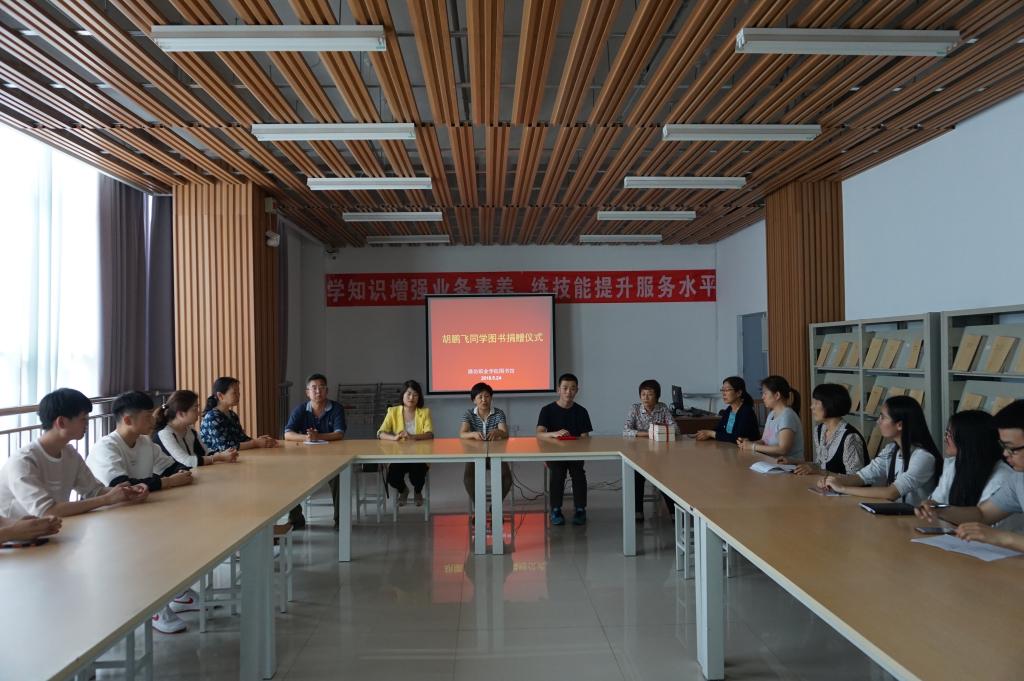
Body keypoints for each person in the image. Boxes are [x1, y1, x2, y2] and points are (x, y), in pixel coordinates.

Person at [87, 391, 197, 634]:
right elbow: (124, 487)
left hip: (142, 513)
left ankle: (178, 593)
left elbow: (173, 467)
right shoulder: (107, 447)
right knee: (154, 548)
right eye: (148, 416)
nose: (154, 419)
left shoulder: (146, 443)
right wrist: (167, 482)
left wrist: (178, 474)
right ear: (128, 419)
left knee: (184, 534)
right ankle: (152, 605)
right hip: (108, 522)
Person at [0, 388, 149, 519]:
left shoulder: (70, 454)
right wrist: (107, 499)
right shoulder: (24, 461)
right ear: (61, 422)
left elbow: (94, 491)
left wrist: (128, 492)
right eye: (83, 419)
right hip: (16, 538)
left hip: (51, 529)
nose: (87, 424)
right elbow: (47, 511)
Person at [917, 400, 1024, 551]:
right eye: (1004, 446)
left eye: (1012, 448)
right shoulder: (1018, 479)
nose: (1005, 453)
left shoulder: (1006, 475)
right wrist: (940, 509)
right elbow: (982, 514)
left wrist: (1001, 537)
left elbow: (996, 532)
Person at [819, 395, 941, 506]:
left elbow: (892, 493)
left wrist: (842, 488)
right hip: (898, 515)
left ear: (900, 425)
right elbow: (862, 477)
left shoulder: (923, 457)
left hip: (916, 519)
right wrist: (832, 481)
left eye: (883, 417)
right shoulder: (891, 450)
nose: (878, 421)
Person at [282, 374, 346, 528]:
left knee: (339, 477)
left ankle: (340, 520)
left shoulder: (336, 408)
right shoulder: (301, 410)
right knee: (289, 476)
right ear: (307, 392)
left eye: (322, 388)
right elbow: (287, 434)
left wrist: (318, 436)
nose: (318, 391)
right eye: (314, 388)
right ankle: (296, 518)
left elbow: (339, 434)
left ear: (327, 391)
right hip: (305, 459)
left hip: (331, 458)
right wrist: (307, 437)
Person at [537, 373, 593, 527]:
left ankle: (580, 509)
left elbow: (585, 437)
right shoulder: (547, 410)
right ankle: (555, 510)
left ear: (577, 391)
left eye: (572, 388)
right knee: (557, 473)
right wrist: (554, 434)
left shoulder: (581, 411)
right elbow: (539, 434)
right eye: (565, 388)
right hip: (554, 453)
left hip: (575, 453)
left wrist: (578, 445)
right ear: (558, 390)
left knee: (578, 473)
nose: (569, 392)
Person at [622, 379, 678, 522]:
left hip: (660, 454)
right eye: (643, 394)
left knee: (664, 479)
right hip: (639, 454)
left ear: (657, 396)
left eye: (650, 394)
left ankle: (673, 512)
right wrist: (649, 433)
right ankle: (638, 511)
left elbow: (675, 429)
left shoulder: (662, 408)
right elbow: (626, 431)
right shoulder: (635, 408)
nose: (646, 398)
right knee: (637, 477)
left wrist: (660, 431)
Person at [377, 380, 433, 507]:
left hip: (419, 455)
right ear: (402, 395)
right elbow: (380, 433)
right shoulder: (393, 411)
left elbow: (430, 434)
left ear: (419, 397)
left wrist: (413, 437)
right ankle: (403, 490)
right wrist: (394, 438)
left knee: (417, 475)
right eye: (408, 394)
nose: (411, 398)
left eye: (415, 394)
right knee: (392, 477)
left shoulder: (424, 412)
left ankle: (418, 492)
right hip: (399, 455)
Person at [793, 383, 867, 476]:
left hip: (843, 486)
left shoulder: (850, 437)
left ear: (830, 404)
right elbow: (821, 465)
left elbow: (855, 478)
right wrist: (792, 461)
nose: (811, 407)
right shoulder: (819, 430)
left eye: (816, 403)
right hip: (824, 484)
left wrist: (819, 471)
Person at [155, 390, 239, 468]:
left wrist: (224, 454)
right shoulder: (165, 433)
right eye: (195, 409)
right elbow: (187, 461)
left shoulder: (189, 429)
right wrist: (218, 457)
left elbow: (206, 452)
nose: (198, 413)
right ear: (181, 414)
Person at [459, 382, 511, 506]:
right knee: (468, 478)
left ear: (491, 398)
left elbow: (505, 433)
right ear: (474, 400)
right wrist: (473, 434)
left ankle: (495, 506)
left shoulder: (498, 413)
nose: (484, 400)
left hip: (496, 453)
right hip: (475, 453)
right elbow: (462, 433)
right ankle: (479, 506)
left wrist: (498, 432)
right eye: (480, 397)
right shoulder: (468, 414)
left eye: (487, 396)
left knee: (507, 478)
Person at [200, 376, 278, 453]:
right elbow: (225, 447)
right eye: (234, 392)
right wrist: (255, 443)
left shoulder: (232, 415)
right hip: (214, 460)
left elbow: (242, 439)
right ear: (220, 396)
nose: (238, 395)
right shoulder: (212, 417)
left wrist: (259, 440)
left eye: (238, 392)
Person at [737, 375, 803, 464]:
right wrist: (748, 443)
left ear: (777, 395)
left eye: (765, 393)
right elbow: (764, 441)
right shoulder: (771, 414)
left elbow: (783, 449)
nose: (762, 397)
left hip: (789, 466)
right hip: (772, 463)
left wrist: (752, 446)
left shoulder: (787, 416)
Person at [696, 376, 760, 443]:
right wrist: (704, 433)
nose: (724, 393)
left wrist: (711, 433)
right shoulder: (729, 410)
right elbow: (720, 429)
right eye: (722, 390)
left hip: (746, 449)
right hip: (730, 447)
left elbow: (737, 438)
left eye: (727, 390)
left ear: (738, 393)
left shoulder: (746, 411)